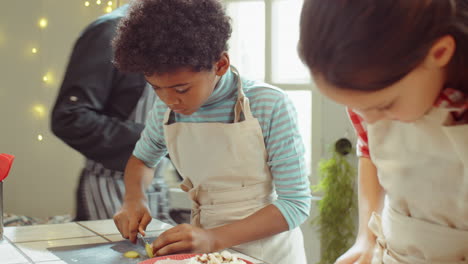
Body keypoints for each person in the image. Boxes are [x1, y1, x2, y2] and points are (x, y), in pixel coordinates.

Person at [111, 0, 311, 263]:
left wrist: (213, 238)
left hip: (269, 251)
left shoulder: (268, 104)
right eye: (156, 88)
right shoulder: (165, 112)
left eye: (182, 89)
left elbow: (295, 204)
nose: (170, 100)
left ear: (220, 65)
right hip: (208, 251)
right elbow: (142, 160)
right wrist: (134, 199)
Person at [299, 0, 468, 263]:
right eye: (354, 107)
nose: (369, 120)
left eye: (384, 106)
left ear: (439, 53)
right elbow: (370, 153)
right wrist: (366, 237)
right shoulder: (370, 98)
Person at [51, 4, 175, 224]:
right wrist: (157, 140)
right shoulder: (110, 32)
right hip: (109, 190)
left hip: (155, 187)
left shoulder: (173, 33)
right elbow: (70, 117)